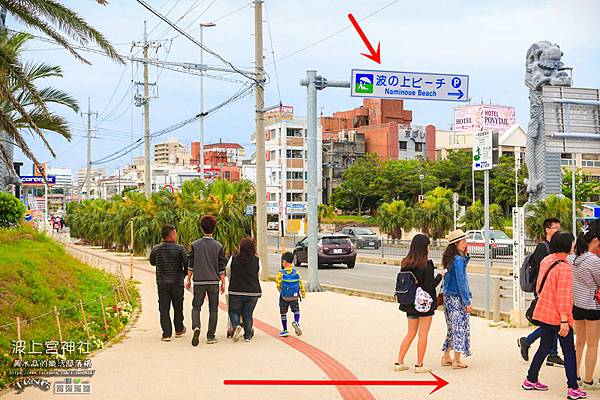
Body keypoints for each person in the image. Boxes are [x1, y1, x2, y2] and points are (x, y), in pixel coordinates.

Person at [522, 231, 586, 400]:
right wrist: (565, 320)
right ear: (566, 245)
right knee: (569, 352)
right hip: (559, 316)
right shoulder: (564, 267)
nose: (574, 245)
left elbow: (538, 285)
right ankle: (573, 388)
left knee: (544, 346)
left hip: (544, 311)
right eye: (572, 243)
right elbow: (563, 296)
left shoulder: (547, 260)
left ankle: (531, 379)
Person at [395, 234, 444, 373]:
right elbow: (429, 286)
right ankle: (419, 365)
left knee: (410, 333)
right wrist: (440, 276)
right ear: (424, 248)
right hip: (424, 304)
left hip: (409, 303)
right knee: (423, 335)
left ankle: (399, 362)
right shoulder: (427, 264)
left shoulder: (405, 263)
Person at [518, 218, 564, 367]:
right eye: (556, 228)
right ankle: (533, 343)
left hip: (553, 290)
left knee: (551, 322)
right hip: (544, 290)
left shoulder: (556, 247)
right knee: (552, 323)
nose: (559, 230)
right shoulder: (542, 248)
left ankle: (551, 353)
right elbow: (541, 271)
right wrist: (542, 291)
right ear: (548, 230)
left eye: (559, 227)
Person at [185, 215, 226, 346]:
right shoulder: (219, 246)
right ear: (214, 228)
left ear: (201, 228)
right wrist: (223, 282)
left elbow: (190, 265)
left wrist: (189, 279)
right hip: (213, 282)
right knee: (213, 309)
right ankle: (210, 336)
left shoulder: (195, 245)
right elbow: (221, 267)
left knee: (196, 307)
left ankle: (196, 326)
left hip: (199, 281)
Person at [568, 223, 600, 390]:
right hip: (593, 306)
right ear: (594, 241)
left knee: (579, 342)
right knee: (593, 344)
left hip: (576, 305)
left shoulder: (571, 258)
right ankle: (588, 380)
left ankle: (575, 375)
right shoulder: (594, 260)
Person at [149, 224, 188, 342]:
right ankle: (179, 329)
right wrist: (183, 275)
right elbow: (187, 265)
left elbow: (152, 262)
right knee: (178, 306)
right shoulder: (180, 249)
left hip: (162, 282)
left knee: (164, 308)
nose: (176, 234)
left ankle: (166, 333)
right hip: (177, 282)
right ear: (171, 235)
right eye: (175, 232)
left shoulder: (156, 248)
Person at [441, 229, 472, 369]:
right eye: (463, 241)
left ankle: (446, 356)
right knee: (459, 328)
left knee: (451, 328)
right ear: (456, 243)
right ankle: (457, 360)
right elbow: (461, 282)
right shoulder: (458, 260)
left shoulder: (450, 258)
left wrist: (465, 255)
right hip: (456, 298)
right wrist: (467, 302)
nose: (466, 244)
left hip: (447, 297)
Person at [226, 237, 262, 343]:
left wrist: (232, 281)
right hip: (253, 292)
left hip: (236, 290)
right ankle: (247, 336)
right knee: (248, 313)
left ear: (240, 247)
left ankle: (237, 326)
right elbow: (258, 274)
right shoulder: (257, 260)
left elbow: (228, 271)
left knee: (233, 311)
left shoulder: (233, 258)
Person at [276, 252, 305, 337]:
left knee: (283, 313)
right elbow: (300, 284)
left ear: (284, 262)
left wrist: (281, 291)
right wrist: (303, 294)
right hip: (294, 296)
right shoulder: (296, 272)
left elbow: (278, 284)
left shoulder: (281, 272)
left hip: (284, 296)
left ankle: (285, 330)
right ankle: (296, 322)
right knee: (296, 310)